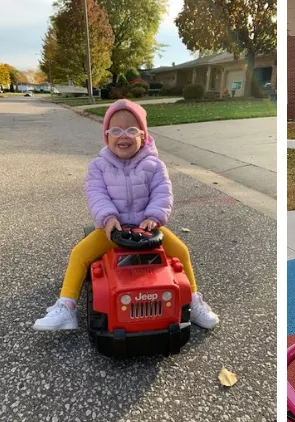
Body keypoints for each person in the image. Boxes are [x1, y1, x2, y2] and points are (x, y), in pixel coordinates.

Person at [33, 99, 219, 331]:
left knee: (181, 251)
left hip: (146, 227)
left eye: (132, 130)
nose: (124, 136)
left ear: (143, 136)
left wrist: (154, 216)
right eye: (116, 130)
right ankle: (66, 306)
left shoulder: (155, 165)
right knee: (80, 253)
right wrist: (108, 218)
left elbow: (163, 192)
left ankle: (192, 298)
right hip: (113, 228)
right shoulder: (98, 166)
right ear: (107, 136)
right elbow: (96, 194)